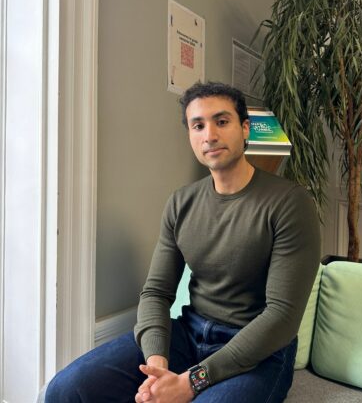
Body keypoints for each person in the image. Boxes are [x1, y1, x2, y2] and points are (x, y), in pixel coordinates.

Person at [44, 82, 320, 403]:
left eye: (222, 121)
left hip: (259, 354)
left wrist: (191, 381)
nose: (209, 135)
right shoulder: (181, 202)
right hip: (187, 334)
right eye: (198, 126)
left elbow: (281, 317)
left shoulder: (290, 203)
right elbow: (156, 292)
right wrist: (157, 365)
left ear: (245, 128)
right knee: (65, 389)